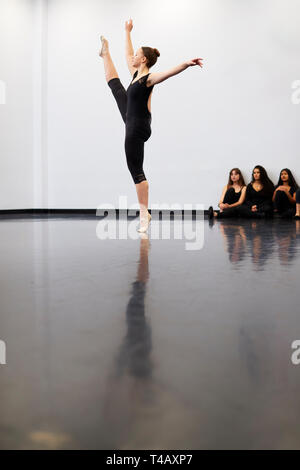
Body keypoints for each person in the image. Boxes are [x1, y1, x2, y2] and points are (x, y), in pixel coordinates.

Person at [99, 18, 203, 232]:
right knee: (117, 88)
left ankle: (144, 213)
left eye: (137, 55)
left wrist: (186, 64)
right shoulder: (136, 74)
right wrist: (127, 31)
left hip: (138, 126)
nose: (132, 57)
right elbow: (128, 53)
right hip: (131, 118)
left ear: (143, 59)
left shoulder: (148, 78)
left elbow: (168, 73)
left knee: (135, 169)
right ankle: (105, 54)